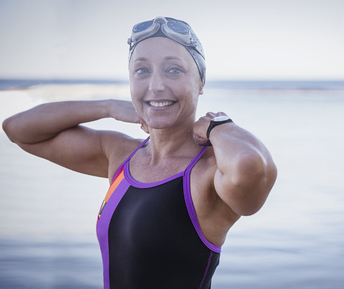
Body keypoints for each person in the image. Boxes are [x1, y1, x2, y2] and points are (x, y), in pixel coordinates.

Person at [2, 16, 277, 289]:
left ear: (200, 82)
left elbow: (251, 167)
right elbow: (18, 129)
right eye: (142, 71)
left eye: (173, 70)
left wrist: (219, 126)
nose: (156, 85)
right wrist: (107, 107)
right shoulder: (120, 155)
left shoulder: (207, 173)